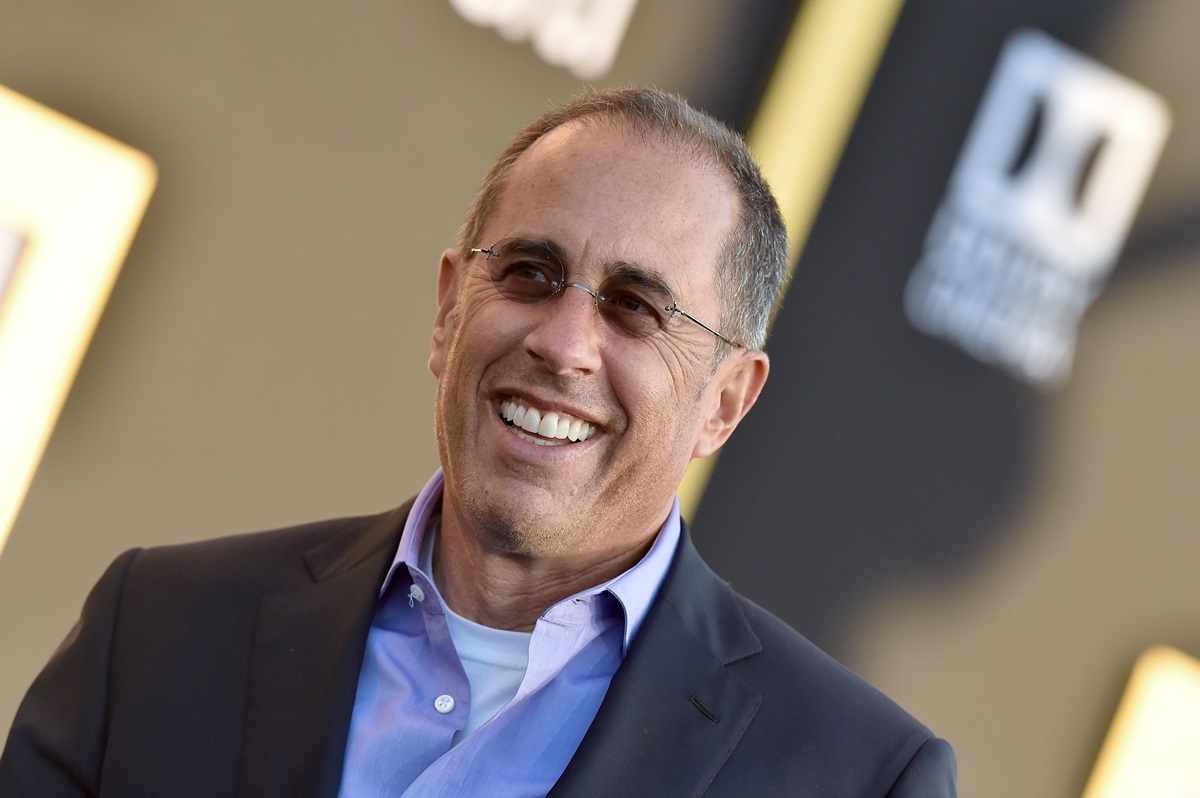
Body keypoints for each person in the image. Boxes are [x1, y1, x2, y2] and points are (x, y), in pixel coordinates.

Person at [0, 88, 957, 797]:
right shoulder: (163, 629)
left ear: (726, 403)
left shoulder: (855, 779)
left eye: (635, 308)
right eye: (532, 273)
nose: (563, 343)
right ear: (451, 305)